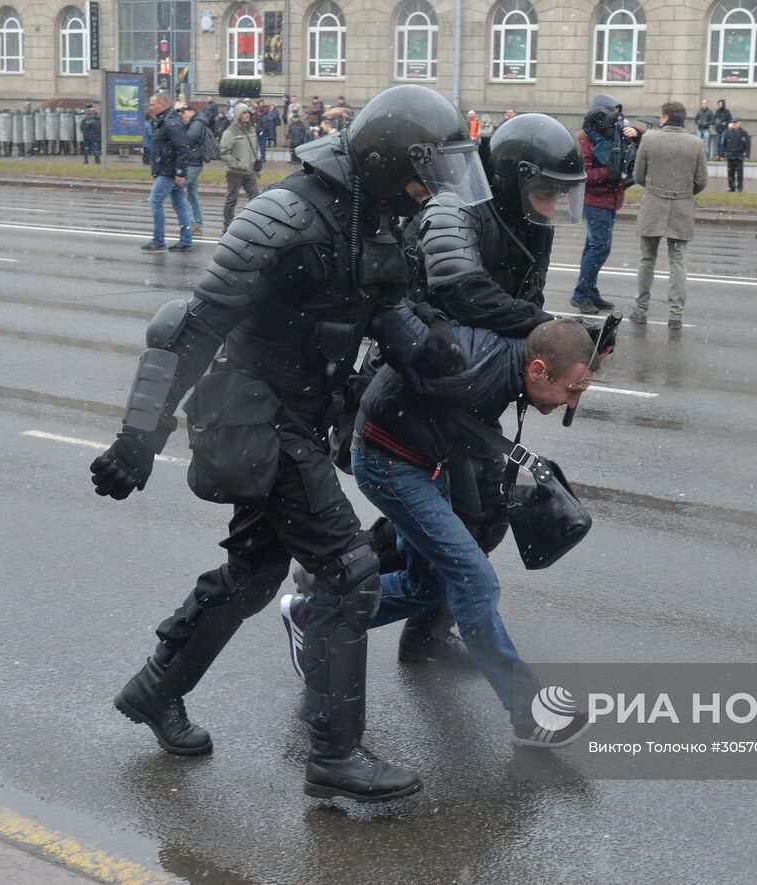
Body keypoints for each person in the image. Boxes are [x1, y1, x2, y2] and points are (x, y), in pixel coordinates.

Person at [94, 83, 486, 803]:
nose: (427, 189)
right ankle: (334, 755)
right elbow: (195, 325)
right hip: (254, 415)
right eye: (420, 172)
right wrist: (136, 439)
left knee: (253, 572)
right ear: (383, 161)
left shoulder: (377, 213)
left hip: (303, 418)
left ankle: (156, 688)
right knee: (349, 570)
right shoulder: (284, 215)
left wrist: (433, 355)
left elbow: (382, 304)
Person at [280, 319, 597, 750]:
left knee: (428, 586)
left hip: (426, 463)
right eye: (573, 388)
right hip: (390, 465)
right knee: (475, 580)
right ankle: (531, 714)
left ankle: (313, 614)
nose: (573, 400)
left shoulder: (510, 365)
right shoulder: (476, 369)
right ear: (538, 370)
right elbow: (401, 350)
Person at [375, 112, 594, 663]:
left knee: (486, 515)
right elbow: (464, 292)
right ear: (511, 176)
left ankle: (422, 632)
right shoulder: (455, 208)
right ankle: (338, 581)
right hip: (424, 383)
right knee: (443, 521)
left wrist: (562, 342)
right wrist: (553, 330)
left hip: (476, 387)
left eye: (557, 196)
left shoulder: (529, 224)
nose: (550, 206)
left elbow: (521, 311)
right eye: (544, 192)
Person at [630, 101, 708, 332]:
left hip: (653, 204)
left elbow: (638, 175)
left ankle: (641, 310)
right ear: (683, 119)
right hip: (682, 206)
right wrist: (683, 193)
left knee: (647, 260)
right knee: (678, 263)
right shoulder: (696, 143)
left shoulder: (649, 139)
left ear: (664, 118)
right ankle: (675, 315)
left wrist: (655, 188)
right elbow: (701, 180)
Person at [570, 94, 640, 315]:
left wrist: (636, 134)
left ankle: (588, 291)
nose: (617, 118)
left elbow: (642, 141)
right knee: (600, 247)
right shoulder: (586, 140)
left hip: (608, 200)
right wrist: (609, 173)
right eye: (613, 113)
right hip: (595, 201)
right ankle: (581, 294)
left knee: (593, 247)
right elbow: (584, 174)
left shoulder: (611, 136)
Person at [140, 92, 193, 253]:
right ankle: (185, 241)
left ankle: (158, 241)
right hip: (169, 170)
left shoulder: (170, 123)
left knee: (155, 201)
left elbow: (182, 148)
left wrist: (179, 172)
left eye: (153, 104)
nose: (151, 107)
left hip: (168, 171)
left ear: (163, 104)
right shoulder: (165, 121)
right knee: (180, 205)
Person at [219, 101, 260, 233]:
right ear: (238, 115)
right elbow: (224, 152)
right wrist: (236, 164)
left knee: (256, 199)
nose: (247, 115)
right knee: (231, 200)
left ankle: (256, 224)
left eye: (248, 112)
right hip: (234, 172)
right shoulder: (230, 131)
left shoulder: (252, 129)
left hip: (249, 171)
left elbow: (255, 148)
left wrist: (256, 163)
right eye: (244, 113)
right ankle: (227, 226)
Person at [178, 103, 208, 237]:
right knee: (192, 195)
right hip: (194, 162)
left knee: (179, 191)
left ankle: (191, 223)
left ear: (191, 112)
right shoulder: (198, 122)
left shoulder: (196, 124)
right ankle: (198, 225)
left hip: (192, 163)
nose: (182, 117)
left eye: (184, 114)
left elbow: (187, 139)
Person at [721, 119, 751, 192]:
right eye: (734, 123)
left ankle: (740, 188)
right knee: (730, 174)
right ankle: (731, 187)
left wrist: (746, 154)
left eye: (737, 123)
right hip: (730, 156)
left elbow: (747, 144)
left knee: (740, 174)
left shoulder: (744, 133)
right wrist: (723, 154)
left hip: (739, 157)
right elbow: (724, 144)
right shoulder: (728, 132)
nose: (735, 125)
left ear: (739, 124)